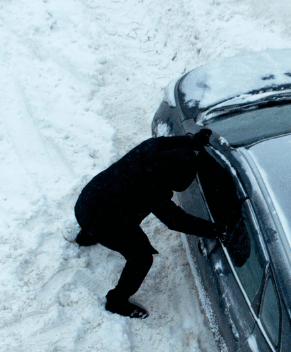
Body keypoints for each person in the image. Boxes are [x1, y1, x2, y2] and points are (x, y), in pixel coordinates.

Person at [74, 129, 222, 318]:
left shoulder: (151, 148)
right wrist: (216, 230)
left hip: (88, 199)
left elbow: (167, 142)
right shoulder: (151, 186)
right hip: (101, 221)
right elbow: (176, 221)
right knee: (141, 257)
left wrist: (192, 141)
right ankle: (116, 301)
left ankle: (86, 234)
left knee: (116, 201)